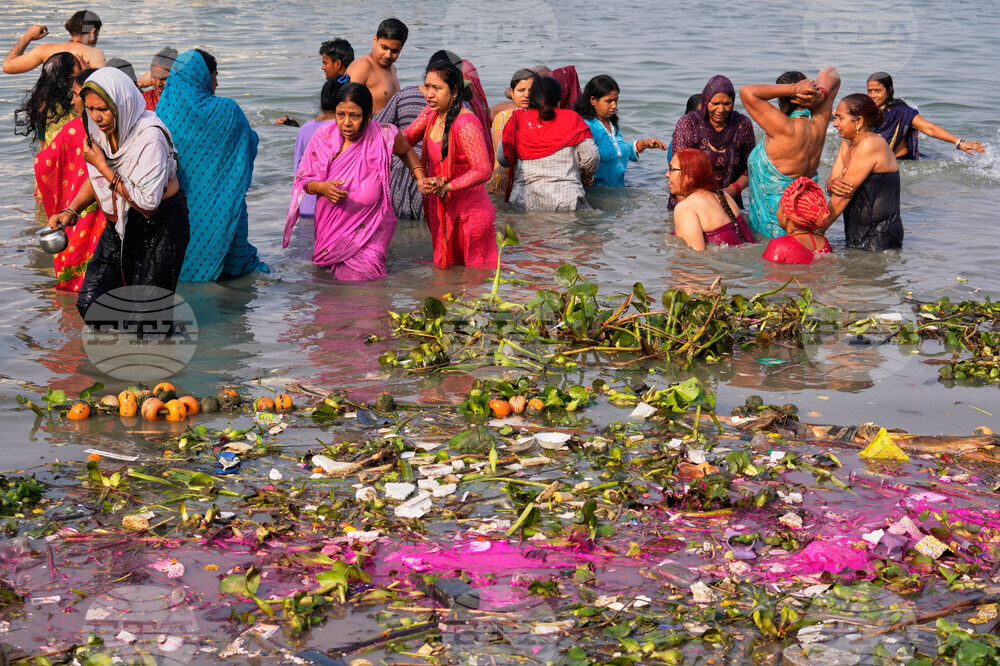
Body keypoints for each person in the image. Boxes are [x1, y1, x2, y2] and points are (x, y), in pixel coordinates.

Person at [44, 67, 188, 318]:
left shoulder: (149, 137)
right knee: (91, 304)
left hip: (160, 224)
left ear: (123, 104)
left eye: (102, 109)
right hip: (119, 225)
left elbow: (147, 204)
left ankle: (154, 346)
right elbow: (96, 180)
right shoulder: (98, 132)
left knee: (150, 317)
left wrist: (101, 164)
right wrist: (71, 210)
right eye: (90, 109)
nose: (96, 117)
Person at [284, 83, 421, 280]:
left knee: (364, 278)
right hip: (332, 226)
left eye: (354, 116)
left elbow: (406, 150)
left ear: (368, 115)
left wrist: (420, 177)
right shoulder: (323, 138)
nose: (346, 122)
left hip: (374, 222)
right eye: (341, 115)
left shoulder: (383, 135)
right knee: (329, 282)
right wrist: (321, 186)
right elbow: (303, 179)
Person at [156, 49, 269, 282]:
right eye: (214, 76)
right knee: (235, 271)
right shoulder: (228, 111)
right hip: (221, 209)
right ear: (203, 77)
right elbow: (248, 144)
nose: (216, 83)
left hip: (176, 214)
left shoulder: (162, 114)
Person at [403, 57, 497, 269]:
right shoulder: (431, 113)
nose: (429, 94)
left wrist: (446, 186)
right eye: (427, 86)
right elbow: (406, 138)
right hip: (442, 209)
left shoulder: (465, 123)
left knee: (472, 282)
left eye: (437, 88)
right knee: (446, 279)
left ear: (454, 92)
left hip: (469, 216)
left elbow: (483, 170)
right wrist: (374, 133)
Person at [740, 66, 841, 238]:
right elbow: (832, 73)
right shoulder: (820, 120)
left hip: (777, 223)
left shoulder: (783, 127)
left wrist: (793, 89)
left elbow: (746, 92)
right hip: (804, 220)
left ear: (781, 101)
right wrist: (821, 93)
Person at [34, 67, 107, 291]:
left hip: (80, 207)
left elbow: (44, 163)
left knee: (82, 259)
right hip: (103, 209)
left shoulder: (74, 129)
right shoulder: (113, 129)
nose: (73, 101)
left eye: (76, 95)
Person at [498, 76, 599, 211]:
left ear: (532, 98)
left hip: (525, 202)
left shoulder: (517, 120)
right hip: (567, 201)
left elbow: (502, 158)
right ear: (558, 100)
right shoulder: (572, 118)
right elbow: (591, 156)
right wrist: (587, 176)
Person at [820, 94, 902, 251]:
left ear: (858, 121)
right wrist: (831, 185)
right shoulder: (848, 142)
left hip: (880, 235)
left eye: (840, 118)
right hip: (856, 231)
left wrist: (818, 232)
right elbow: (833, 184)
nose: (835, 124)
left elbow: (844, 195)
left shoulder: (870, 144)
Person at [670, 75, 755, 209]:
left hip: (730, 202)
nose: (721, 110)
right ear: (705, 101)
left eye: (726, 104)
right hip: (690, 201)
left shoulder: (742, 124)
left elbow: (750, 167)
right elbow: (678, 170)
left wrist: (731, 191)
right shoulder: (689, 124)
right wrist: (687, 207)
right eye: (715, 104)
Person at [866, 72, 986, 160]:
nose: (873, 95)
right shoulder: (868, 110)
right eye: (870, 91)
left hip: (901, 162)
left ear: (889, 90)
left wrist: (958, 142)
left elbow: (929, 128)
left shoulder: (902, 111)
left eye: (877, 91)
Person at [575, 74, 666, 187]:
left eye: (616, 100)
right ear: (593, 100)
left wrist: (642, 144)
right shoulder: (585, 127)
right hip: (597, 196)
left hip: (617, 191)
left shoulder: (611, 124)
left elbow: (617, 150)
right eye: (609, 101)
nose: (614, 105)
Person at [669, 148, 754, 250]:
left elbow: (694, 259)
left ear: (689, 176)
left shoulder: (685, 208)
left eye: (671, 169)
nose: (667, 174)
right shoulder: (723, 195)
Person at [293, 76, 346, 218]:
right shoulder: (345, 129)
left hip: (305, 206)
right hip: (335, 207)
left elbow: (298, 169)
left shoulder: (305, 128)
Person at [374, 85, 426, 220]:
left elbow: (377, 127)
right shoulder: (460, 107)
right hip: (428, 172)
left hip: (398, 168)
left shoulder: (405, 94)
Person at [3, 11, 105, 75]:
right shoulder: (94, 53)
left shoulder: (45, 50)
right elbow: (102, 88)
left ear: (71, 31)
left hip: (47, 107)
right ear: (93, 32)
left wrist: (28, 36)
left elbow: (7, 67)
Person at [13, 52, 79, 149]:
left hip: (50, 158)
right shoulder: (78, 97)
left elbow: (43, 142)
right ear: (71, 75)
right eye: (79, 67)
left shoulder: (41, 100)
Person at [762, 177, 832, 264]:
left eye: (779, 207)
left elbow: (768, 274)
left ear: (786, 217)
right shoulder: (824, 242)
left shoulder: (779, 245)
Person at [488, 68, 537, 194]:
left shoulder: (540, 118)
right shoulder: (503, 117)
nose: (526, 95)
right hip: (502, 184)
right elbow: (503, 156)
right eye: (521, 90)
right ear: (512, 92)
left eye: (531, 90)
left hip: (527, 184)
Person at [346, 18, 407, 113]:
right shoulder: (363, 66)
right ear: (375, 40)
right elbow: (347, 105)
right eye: (384, 48)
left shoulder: (393, 68)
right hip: (371, 126)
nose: (388, 55)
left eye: (394, 51)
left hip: (391, 126)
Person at [141, 46, 178, 111]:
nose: (158, 84)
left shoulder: (184, 99)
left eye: (164, 78)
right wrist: (141, 83)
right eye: (154, 77)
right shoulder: (146, 99)